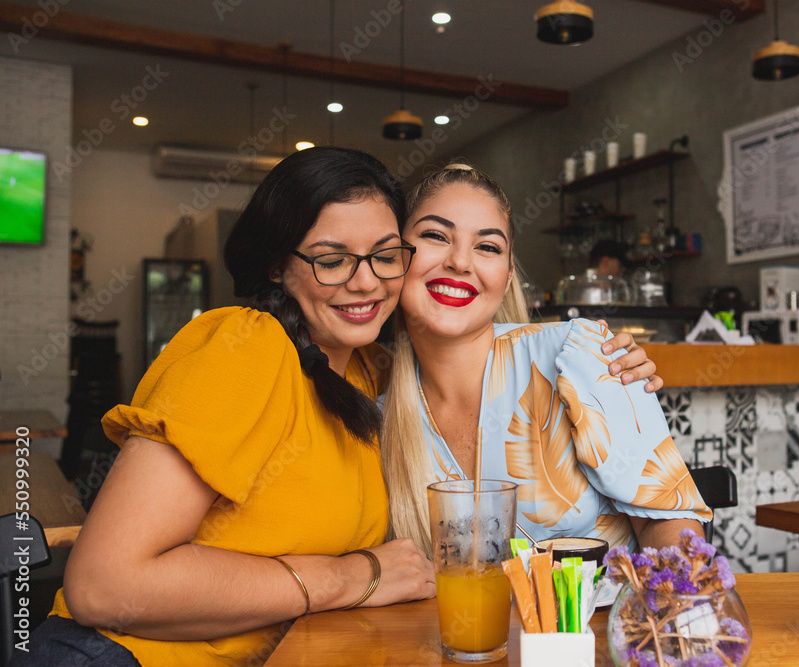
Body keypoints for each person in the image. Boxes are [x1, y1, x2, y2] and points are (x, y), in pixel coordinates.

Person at [21, 149, 657, 666]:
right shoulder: (246, 345)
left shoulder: (378, 380)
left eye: (384, 255)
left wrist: (602, 364)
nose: (365, 281)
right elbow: (103, 586)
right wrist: (353, 576)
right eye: (330, 260)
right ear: (277, 264)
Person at [381, 164, 710, 558]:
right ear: (395, 257)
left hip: (607, 617)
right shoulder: (380, 416)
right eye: (436, 236)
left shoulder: (575, 358)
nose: (460, 262)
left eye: (487, 246)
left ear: (505, 279)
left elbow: (669, 526)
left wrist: (664, 609)